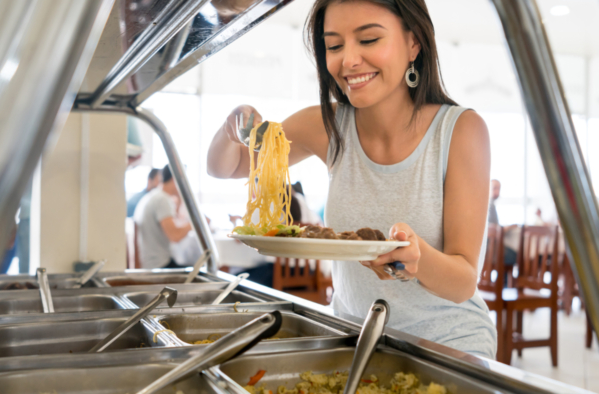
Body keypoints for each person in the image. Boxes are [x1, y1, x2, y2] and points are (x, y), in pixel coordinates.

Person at [206, 0, 495, 358]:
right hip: (354, 340)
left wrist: (417, 258)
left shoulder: (461, 130)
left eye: (369, 39)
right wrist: (230, 128)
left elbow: (464, 282)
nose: (349, 61)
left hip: (446, 347)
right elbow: (226, 167)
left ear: (414, 42)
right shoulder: (326, 124)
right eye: (334, 45)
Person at [134, 165, 192, 269]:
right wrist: (194, 224)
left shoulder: (153, 195)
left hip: (149, 262)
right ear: (176, 178)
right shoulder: (163, 200)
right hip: (160, 264)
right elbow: (175, 236)